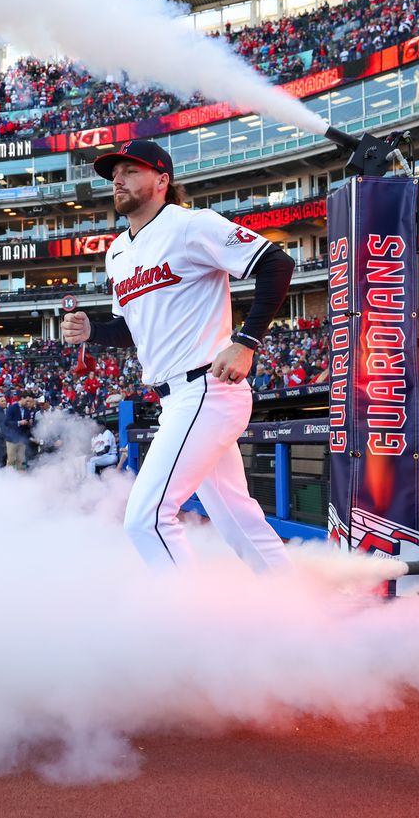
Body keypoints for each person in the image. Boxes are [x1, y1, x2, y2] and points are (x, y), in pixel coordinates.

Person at [60, 139, 293, 572]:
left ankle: (195, 626)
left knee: (145, 519)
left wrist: (246, 342)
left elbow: (277, 263)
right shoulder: (117, 252)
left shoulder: (190, 225)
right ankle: (296, 606)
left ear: (162, 180)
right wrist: (93, 330)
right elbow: (132, 328)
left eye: (130, 171)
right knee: (237, 520)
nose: (118, 179)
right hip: (178, 397)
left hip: (207, 387)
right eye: (114, 174)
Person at [3, 391, 37, 470]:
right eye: (27, 401)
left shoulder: (27, 410)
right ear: (22, 399)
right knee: (11, 460)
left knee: (21, 461)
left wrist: (29, 423)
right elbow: (6, 422)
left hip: (22, 439)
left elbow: (27, 425)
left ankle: (19, 479)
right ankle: (8, 478)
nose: (28, 403)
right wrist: (19, 423)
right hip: (12, 439)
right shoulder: (12, 408)